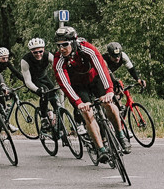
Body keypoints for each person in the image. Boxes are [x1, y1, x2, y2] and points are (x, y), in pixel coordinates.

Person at [51, 25, 121, 161]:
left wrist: (109, 91)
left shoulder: (86, 48)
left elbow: (101, 68)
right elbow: (65, 84)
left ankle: (120, 134)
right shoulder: (58, 59)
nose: (61, 48)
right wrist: (78, 103)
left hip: (95, 80)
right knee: (87, 113)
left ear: (73, 42)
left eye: (65, 45)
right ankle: (101, 149)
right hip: (79, 86)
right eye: (58, 45)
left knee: (109, 104)